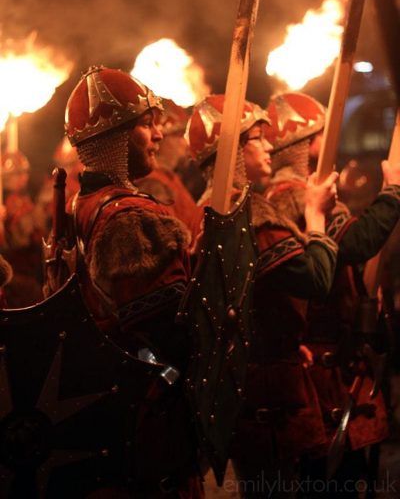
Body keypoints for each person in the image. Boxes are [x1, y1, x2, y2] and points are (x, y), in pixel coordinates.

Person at [185, 94, 339, 498]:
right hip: (264, 390)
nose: (269, 145)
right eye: (256, 138)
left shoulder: (203, 211)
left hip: (240, 386)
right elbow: (315, 280)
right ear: (232, 152)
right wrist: (317, 218)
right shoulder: (248, 214)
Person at [63, 65, 203, 498]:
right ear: (116, 137)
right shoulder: (129, 219)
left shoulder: (83, 204)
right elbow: (170, 337)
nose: (159, 135)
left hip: (117, 413)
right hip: (147, 421)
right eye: (146, 124)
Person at [264, 91, 400, 497]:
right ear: (303, 144)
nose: (331, 143)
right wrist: (393, 191)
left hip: (322, 357)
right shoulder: (296, 194)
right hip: (318, 362)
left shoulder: (283, 193)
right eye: (322, 135)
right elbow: (356, 243)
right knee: (330, 480)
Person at [136, 98, 198, 229]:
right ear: (163, 139)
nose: (185, 143)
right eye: (179, 136)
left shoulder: (169, 178)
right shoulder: (152, 185)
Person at [0, 149, 47, 307]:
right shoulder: (10, 204)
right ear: (7, 178)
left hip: (29, 268)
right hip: (15, 272)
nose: (24, 177)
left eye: (25, 173)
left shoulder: (23, 199)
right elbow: (21, 242)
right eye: (19, 173)